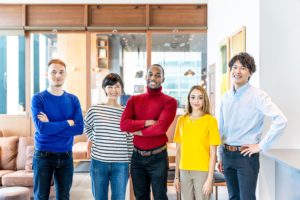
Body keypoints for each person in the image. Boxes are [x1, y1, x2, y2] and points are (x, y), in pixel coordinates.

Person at [218, 52, 288, 200]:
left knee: (247, 198)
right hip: (227, 154)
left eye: (243, 68)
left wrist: (261, 146)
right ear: (230, 70)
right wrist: (220, 155)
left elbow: (281, 120)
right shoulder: (226, 97)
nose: (237, 71)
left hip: (246, 156)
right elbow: (221, 128)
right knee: (233, 197)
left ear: (250, 72)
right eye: (234, 67)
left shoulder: (258, 96)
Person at [120, 64, 177, 200]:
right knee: (140, 197)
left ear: (163, 79)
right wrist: (145, 123)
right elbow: (124, 124)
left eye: (158, 75)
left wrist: (137, 132)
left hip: (158, 158)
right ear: (146, 77)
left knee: (160, 196)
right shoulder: (134, 100)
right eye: (151, 74)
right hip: (137, 158)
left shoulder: (170, 102)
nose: (153, 78)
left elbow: (160, 128)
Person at [31, 59, 84, 200]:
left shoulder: (73, 100)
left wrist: (51, 125)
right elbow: (42, 128)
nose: (57, 75)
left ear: (66, 75)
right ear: (46, 74)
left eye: (61, 72)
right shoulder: (38, 99)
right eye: (53, 72)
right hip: (43, 156)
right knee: (41, 197)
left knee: (64, 197)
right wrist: (67, 122)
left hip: (66, 156)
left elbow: (79, 128)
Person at [84, 73, 133, 200]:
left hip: (121, 163)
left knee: (119, 197)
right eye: (110, 86)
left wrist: (130, 162)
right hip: (99, 162)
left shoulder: (126, 112)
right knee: (100, 197)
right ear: (104, 88)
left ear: (121, 89)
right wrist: (96, 138)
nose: (113, 90)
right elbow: (86, 126)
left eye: (117, 86)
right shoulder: (95, 109)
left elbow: (129, 139)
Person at [174, 85, 221, 200]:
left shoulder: (211, 121)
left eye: (200, 97)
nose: (196, 101)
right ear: (189, 99)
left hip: (203, 171)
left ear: (204, 99)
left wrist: (210, 179)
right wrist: (176, 176)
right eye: (193, 97)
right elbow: (178, 151)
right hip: (184, 170)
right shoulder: (181, 120)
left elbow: (213, 153)